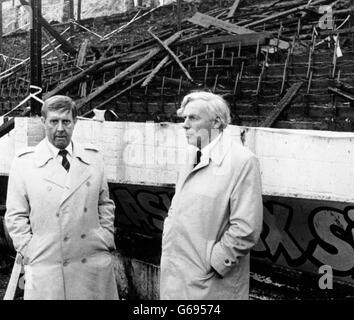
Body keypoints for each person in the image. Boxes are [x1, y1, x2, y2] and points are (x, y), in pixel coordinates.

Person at [5, 95, 118, 300]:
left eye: (66, 122)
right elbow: (15, 215)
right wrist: (30, 248)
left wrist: (105, 236)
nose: (60, 129)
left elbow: (105, 203)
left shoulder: (93, 159)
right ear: (43, 122)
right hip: (47, 266)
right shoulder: (24, 163)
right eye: (53, 121)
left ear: (75, 122)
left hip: (90, 264)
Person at [160, 91, 263, 300]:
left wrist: (215, 263)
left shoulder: (242, 161)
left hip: (210, 284)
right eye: (185, 118)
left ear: (216, 123)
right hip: (178, 276)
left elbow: (246, 228)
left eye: (193, 118)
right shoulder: (191, 156)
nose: (185, 124)